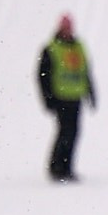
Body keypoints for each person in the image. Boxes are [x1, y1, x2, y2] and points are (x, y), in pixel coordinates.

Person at [37, 15, 94, 183]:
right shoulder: (52, 48)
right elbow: (43, 76)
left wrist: (90, 92)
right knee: (65, 132)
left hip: (76, 96)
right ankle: (57, 168)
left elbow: (85, 70)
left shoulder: (78, 47)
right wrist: (48, 98)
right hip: (60, 97)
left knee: (73, 132)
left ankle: (67, 167)